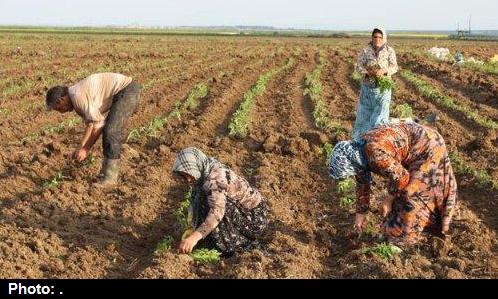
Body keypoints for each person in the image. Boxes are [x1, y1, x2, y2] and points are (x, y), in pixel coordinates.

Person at [329, 122, 457, 245]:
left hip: (427, 146)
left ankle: (410, 236)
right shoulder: (359, 156)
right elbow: (363, 185)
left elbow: (402, 177)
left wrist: (388, 199)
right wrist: (360, 216)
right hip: (419, 144)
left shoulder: (375, 154)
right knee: (402, 194)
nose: (351, 175)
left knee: (411, 195)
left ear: (350, 163)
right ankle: (417, 228)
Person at [46, 73, 141, 188]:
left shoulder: (77, 95)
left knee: (111, 131)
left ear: (61, 99)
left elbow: (98, 124)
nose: (61, 112)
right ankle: (105, 174)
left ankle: (110, 179)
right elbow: (91, 125)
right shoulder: (75, 95)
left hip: (126, 90)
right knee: (108, 130)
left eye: (59, 108)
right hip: (123, 91)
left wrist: (85, 149)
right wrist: (81, 146)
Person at [172, 147, 269, 255]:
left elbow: (217, 212)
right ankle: (212, 237)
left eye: (189, 173)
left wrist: (194, 237)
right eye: (185, 175)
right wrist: (193, 227)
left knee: (221, 206)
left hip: (254, 218)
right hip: (240, 212)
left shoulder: (216, 178)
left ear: (197, 165)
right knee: (203, 197)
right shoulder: (204, 172)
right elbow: (196, 202)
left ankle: (237, 245)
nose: (188, 179)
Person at [353, 27, 398, 141]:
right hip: (368, 88)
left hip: (383, 88)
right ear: (372, 38)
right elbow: (358, 66)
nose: (377, 39)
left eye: (380, 37)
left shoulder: (389, 50)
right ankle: (361, 139)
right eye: (375, 37)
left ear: (384, 38)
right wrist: (368, 72)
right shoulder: (365, 50)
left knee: (381, 115)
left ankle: (377, 139)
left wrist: (384, 71)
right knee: (364, 114)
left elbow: (395, 67)